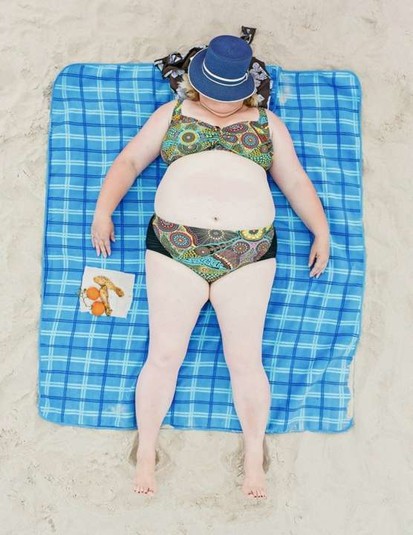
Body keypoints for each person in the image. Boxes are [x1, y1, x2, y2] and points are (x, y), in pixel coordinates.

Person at [90, 34, 330, 500]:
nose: (222, 103)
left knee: (246, 359)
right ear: (197, 84)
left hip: (248, 250)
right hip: (175, 246)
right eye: (214, 93)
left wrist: (320, 230)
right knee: (164, 353)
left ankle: (254, 453)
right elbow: (131, 160)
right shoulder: (172, 114)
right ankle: (147, 448)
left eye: (231, 95)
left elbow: (296, 181)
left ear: (248, 88)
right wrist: (104, 211)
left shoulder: (268, 124)